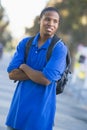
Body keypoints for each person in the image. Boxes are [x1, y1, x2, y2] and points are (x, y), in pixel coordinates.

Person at [6, 7, 67, 130]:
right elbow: (12, 74)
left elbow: (45, 80)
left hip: (40, 119)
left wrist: (24, 67)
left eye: (55, 21)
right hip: (16, 114)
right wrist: (39, 74)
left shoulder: (59, 49)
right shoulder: (25, 43)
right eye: (47, 19)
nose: (51, 23)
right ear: (40, 20)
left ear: (58, 24)